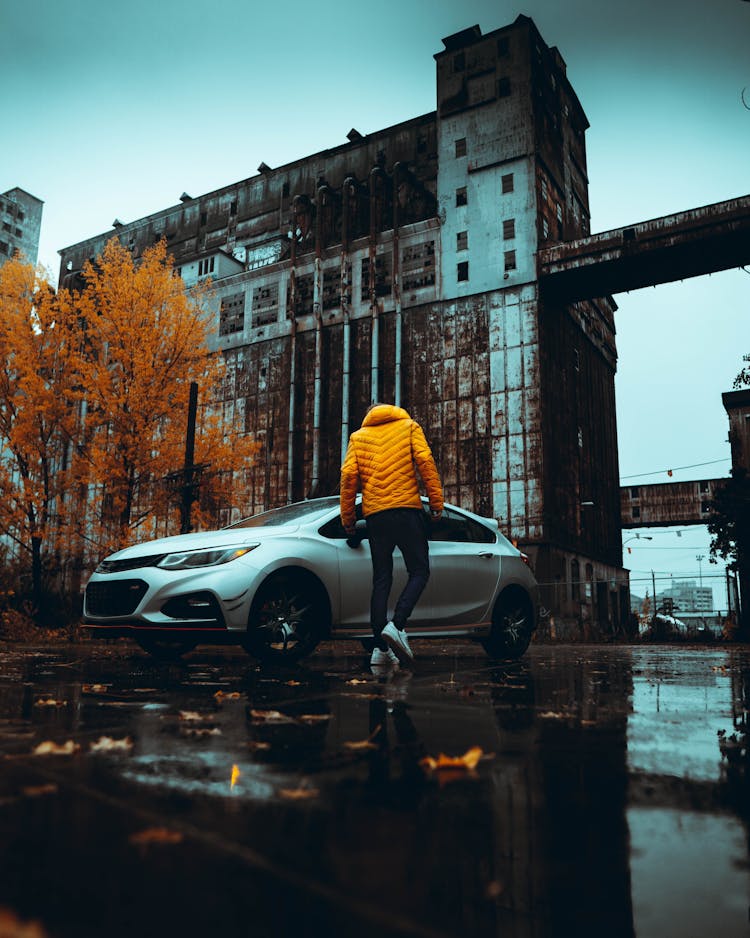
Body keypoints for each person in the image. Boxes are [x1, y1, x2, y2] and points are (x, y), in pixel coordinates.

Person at [340, 403, 443, 668]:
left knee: (381, 579)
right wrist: (436, 503)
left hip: (376, 517)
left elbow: (349, 476)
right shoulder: (409, 427)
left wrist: (349, 520)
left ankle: (380, 648)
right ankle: (397, 625)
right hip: (407, 512)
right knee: (419, 571)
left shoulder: (358, 438)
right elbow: (425, 462)